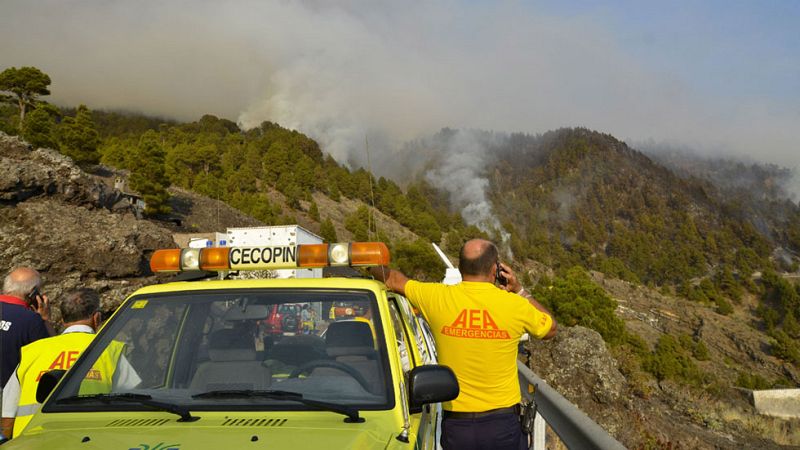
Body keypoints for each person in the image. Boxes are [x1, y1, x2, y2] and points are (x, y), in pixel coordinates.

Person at [370, 239, 556, 450]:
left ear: (459, 268)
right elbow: (550, 328)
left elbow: (393, 279)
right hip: (503, 426)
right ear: (496, 270)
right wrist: (520, 290)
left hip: (457, 427)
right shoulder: (516, 305)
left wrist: (364, 261)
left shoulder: (436, 296)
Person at [1, 288, 140, 439]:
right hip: (87, 443)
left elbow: (8, 414)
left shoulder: (32, 351)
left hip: (31, 443)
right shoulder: (109, 350)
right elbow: (136, 403)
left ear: (62, 321)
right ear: (97, 318)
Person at [0, 268, 54, 391]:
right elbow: (50, 358)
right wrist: (46, 320)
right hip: (8, 398)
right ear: (33, 293)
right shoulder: (31, 321)